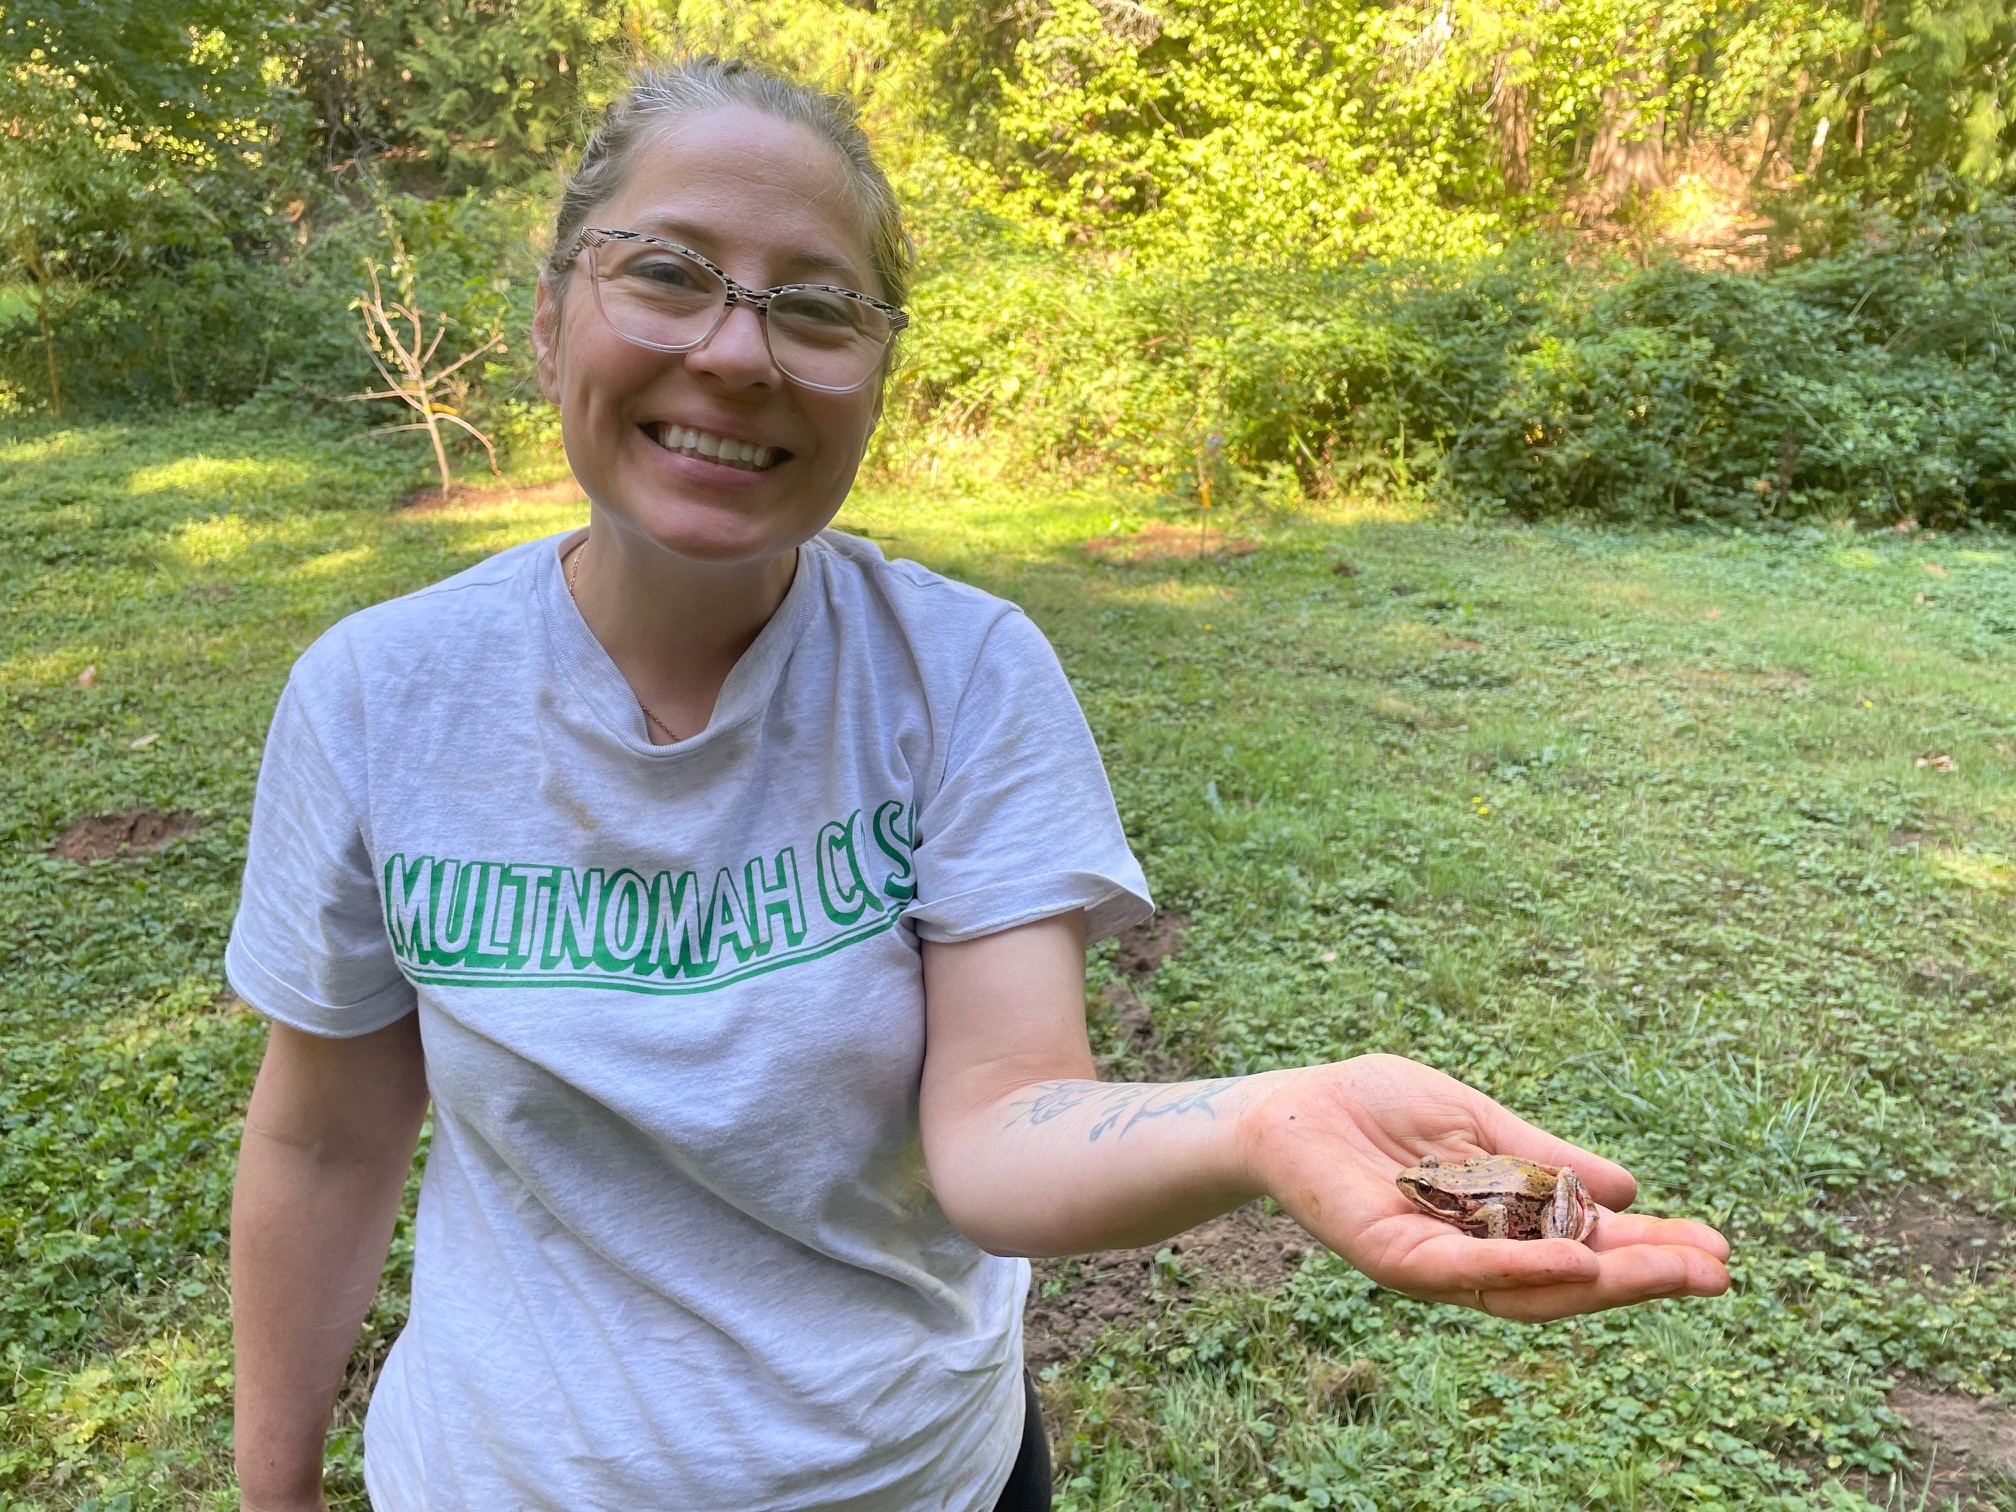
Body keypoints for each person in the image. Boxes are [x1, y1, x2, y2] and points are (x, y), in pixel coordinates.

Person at [226, 54, 1731, 1512]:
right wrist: (273, 1490)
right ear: (553, 321)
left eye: (816, 307)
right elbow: (324, 1136)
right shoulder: (378, 698)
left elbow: (1004, 1118)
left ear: (876, 378)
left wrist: (1267, 1120)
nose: (739, 354)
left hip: (921, 1482)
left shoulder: (962, 674)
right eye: (669, 275)